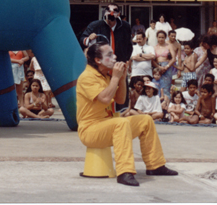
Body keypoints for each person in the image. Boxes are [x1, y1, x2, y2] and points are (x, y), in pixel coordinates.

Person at [76, 42, 177, 187]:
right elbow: (104, 99)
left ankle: (155, 166)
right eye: (109, 55)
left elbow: (120, 100)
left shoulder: (104, 76)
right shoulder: (87, 77)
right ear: (98, 60)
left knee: (146, 120)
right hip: (90, 130)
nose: (115, 57)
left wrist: (122, 78)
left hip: (107, 124)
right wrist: (116, 78)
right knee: (121, 123)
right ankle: (125, 172)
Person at [153, 30, 175, 98]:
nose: (161, 39)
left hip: (167, 67)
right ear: (157, 38)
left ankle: (166, 104)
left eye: (162, 37)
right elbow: (152, 60)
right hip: (157, 68)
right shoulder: (154, 47)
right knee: (157, 86)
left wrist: (167, 66)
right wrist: (159, 67)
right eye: (159, 37)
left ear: (165, 38)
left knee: (166, 88)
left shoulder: (169, 46)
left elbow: (173, 58)